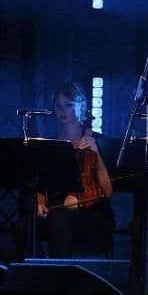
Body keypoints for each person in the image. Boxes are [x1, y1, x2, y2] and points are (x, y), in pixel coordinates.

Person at [35, 83, 115, 258]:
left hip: (91, 212)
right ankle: (35, 271)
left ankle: (62, 273)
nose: (62, 110)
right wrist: (40, 201)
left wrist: (96, 153)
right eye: (58, 105)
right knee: (24, 226)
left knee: (59, 220)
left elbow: (108, 191)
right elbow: (42, 182)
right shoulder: (51, 143)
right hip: (56, 207)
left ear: (81, 106)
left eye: (69, 105)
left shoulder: (98, 140)